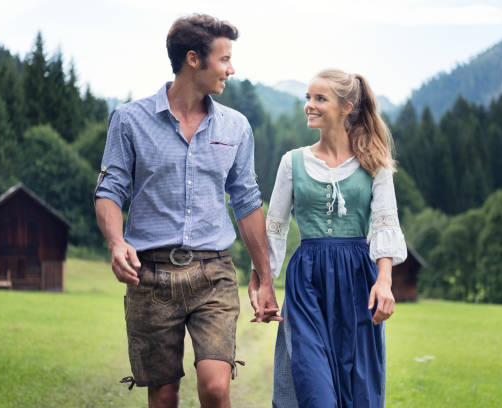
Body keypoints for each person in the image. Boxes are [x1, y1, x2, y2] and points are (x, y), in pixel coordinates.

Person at [94, 14, 280, 408]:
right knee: (163, 397)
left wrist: (265, 277)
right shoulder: (129, 120)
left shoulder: (236, 126)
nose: (231, 68)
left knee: (215, 386)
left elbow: (246, 201)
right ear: (193, 59)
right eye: (224, 59)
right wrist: (115, 242)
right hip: (150, 276)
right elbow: (110, 190)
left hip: (213, 273)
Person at [251, 69, 407, 407]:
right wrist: (262, 283)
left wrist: (384, 282)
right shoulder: (292, 162)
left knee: (359, 390)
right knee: (314, 388)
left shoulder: (375, 164)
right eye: (308, 97)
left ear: (346, 106)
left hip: (358, 283)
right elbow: (274, 229)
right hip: (307, 282)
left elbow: (384, 225)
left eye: (319, 98)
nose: (309, 105)